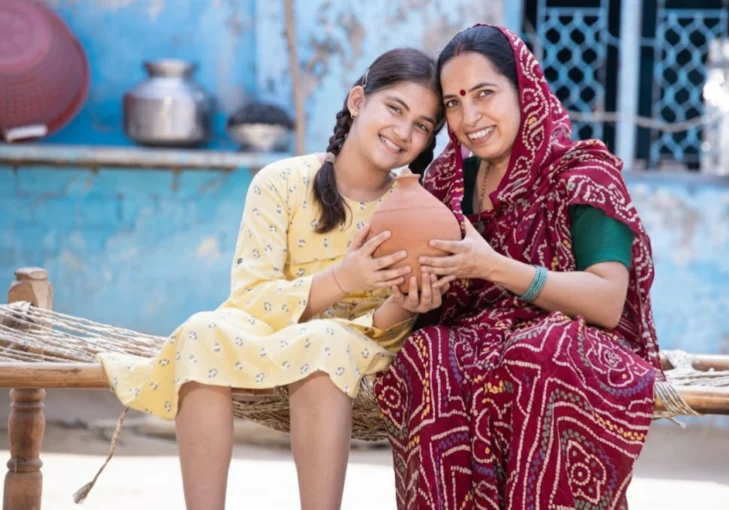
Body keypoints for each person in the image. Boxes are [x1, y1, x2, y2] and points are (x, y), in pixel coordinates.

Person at [98, 47, 446, 510]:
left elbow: (386, 326)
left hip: (359, 352)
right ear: (359, 100)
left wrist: (408, 302)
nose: (404, 132)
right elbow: (249, 297)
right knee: (201, 330)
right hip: (273, 334)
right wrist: (342, 278)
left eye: (422, 125)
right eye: (395, 109)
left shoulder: (415, 211)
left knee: (326, 339)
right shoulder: (279, 182)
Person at [374, 25, 662, 510]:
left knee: (541, 352)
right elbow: (426, 299)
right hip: (476, 344)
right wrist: (414, 297)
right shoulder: (445, 183)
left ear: (523, 90)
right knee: (430, 353)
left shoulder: (582, 175)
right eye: (453, 103)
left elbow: (608, 301)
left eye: (485, 94)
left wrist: (495, 267)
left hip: (571, 339)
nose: (470, 117)